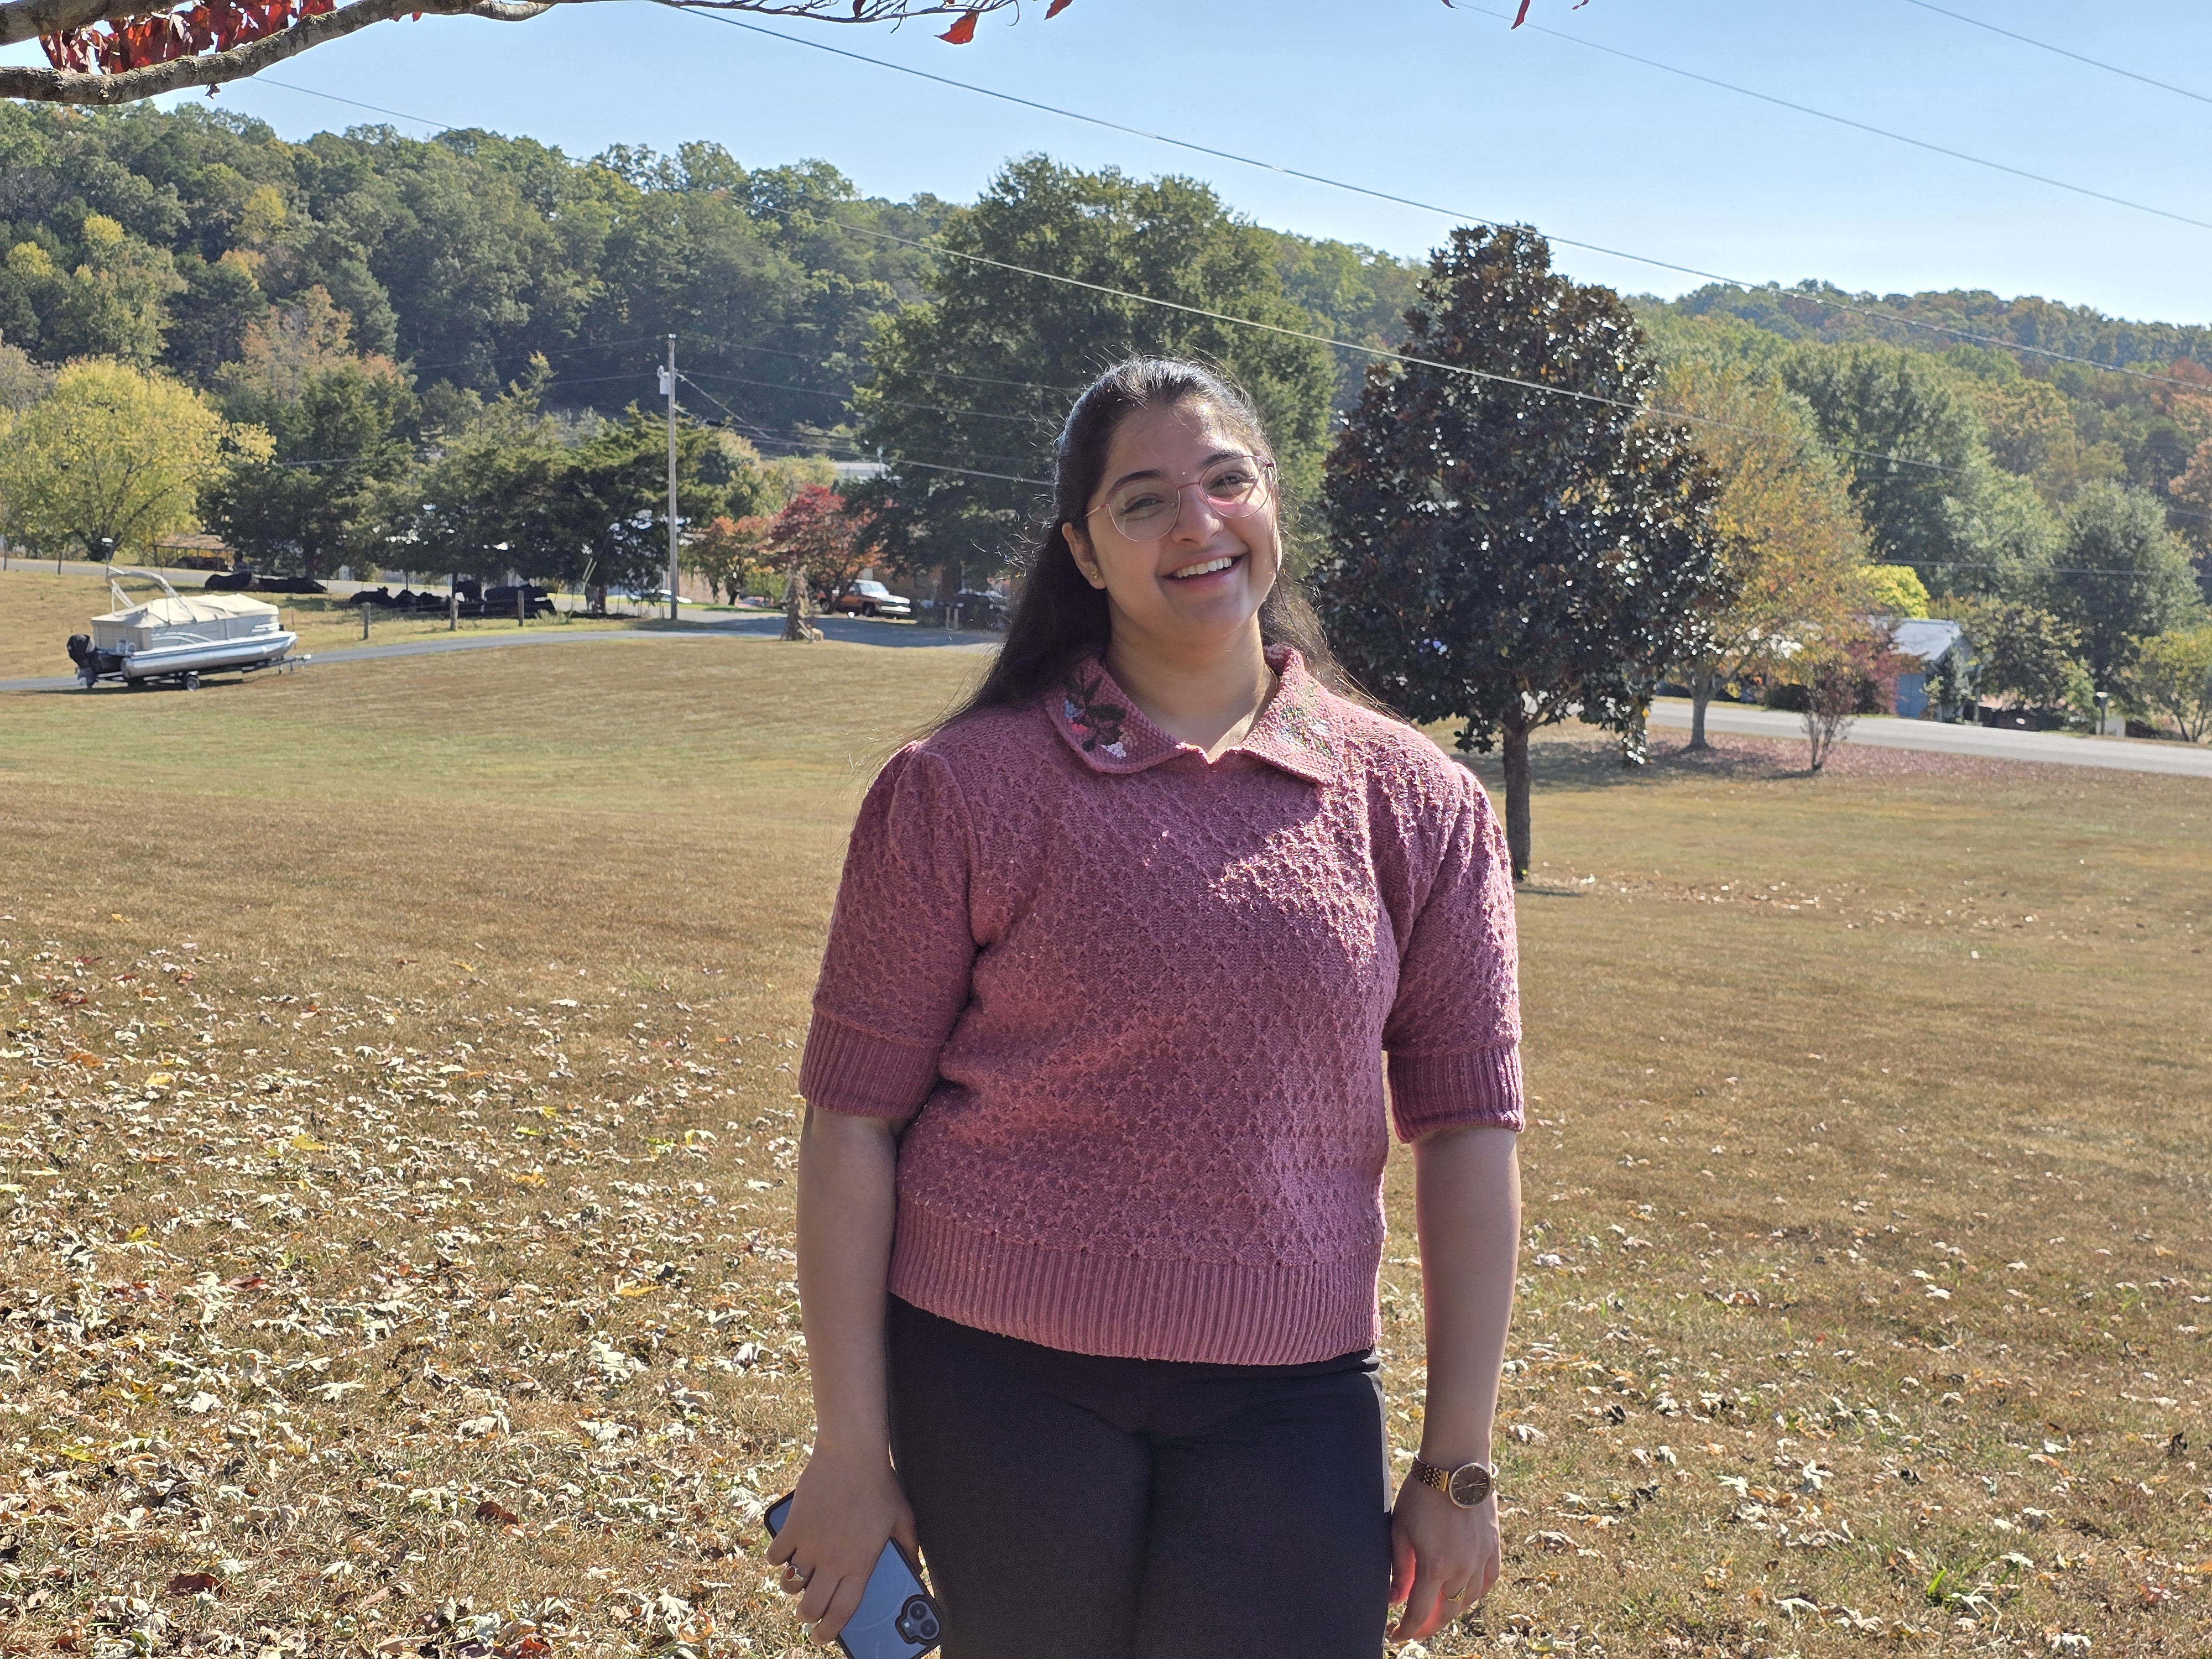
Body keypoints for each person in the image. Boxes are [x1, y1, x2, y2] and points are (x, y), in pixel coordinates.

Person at [766, 357, 1523, 1658]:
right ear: (1082, 547)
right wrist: (849, 1450)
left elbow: (1468, 1136)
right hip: (994, 1380)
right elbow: (850, 1128)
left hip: (1290, 1394)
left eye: (1225, 479)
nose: (1197, 522)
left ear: (1271, 501)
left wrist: (1456, 1468)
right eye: (1142, 499)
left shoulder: (1420, 803)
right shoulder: (953, 790)